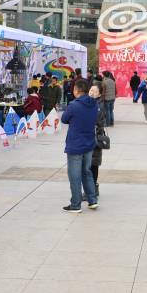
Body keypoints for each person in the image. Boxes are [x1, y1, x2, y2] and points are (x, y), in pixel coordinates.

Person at [60, 78, 99, 212]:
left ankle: (76, 204)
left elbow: (64, 119)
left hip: (75, 144)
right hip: (89, 143)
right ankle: (92, 200)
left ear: (76, 90)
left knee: (75, 175)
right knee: (86, 172)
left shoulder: (73, 105)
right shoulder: (94, 104)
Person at [88, 84, 107, 198]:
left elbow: (98, 123)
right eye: (91, 90)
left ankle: (93, 189)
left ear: (99, 94)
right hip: (88, 139)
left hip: (95, 139)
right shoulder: (89, 104)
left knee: (93, 165)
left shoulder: (99, 106)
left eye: (95, 91)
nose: (91, 92)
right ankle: (91, 189)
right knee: (89, 165)